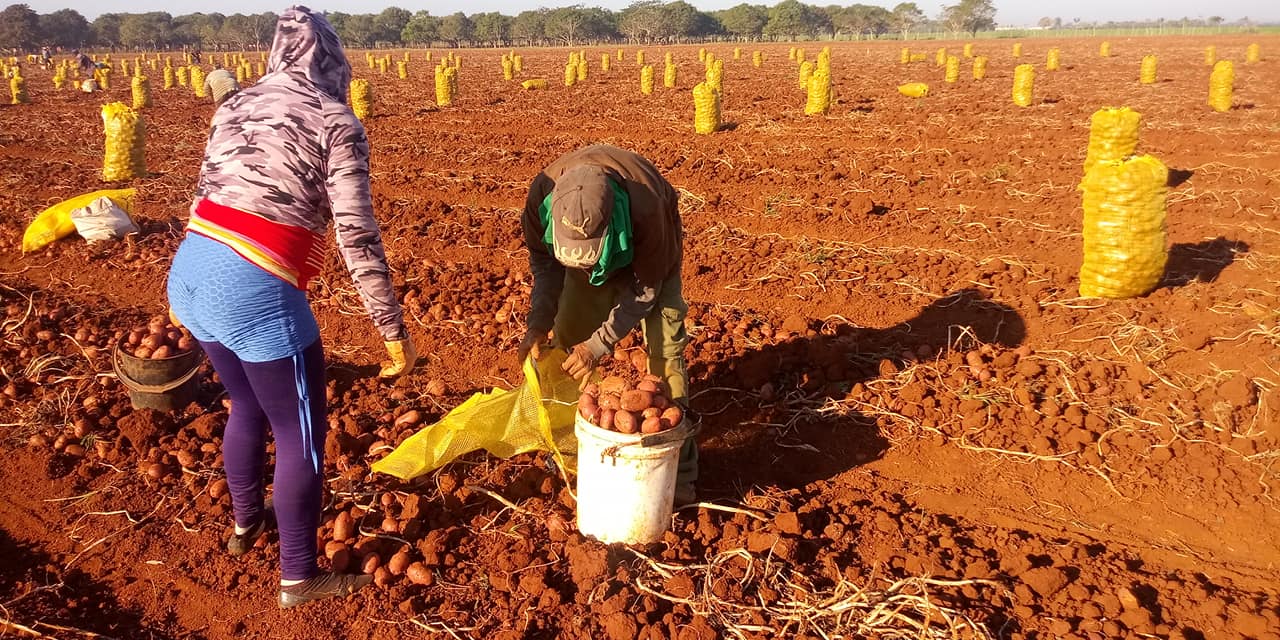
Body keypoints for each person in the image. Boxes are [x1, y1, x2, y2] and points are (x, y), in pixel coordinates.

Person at [166, 6, 416, 609]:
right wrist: (391, 328)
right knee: (300, 430)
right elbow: (356, 233)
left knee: (245, 403)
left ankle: (246, 522)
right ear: (332, 59)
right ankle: (301, 576)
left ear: (277, 53)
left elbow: (207, 188)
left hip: (192, 270)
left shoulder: (234, 105)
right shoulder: (336, 121)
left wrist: (193, 287)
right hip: (254, 286)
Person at [518, 144, 698, 504]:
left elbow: (647, 289)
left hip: (651, 261)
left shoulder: (647, 210)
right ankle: (574, 450)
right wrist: (538, 323)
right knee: (568, 341)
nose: (586, 268)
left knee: (666, 356)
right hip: (601, 241)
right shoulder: (541, 197)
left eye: (591, 257)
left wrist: (599, 345)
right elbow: (546, 268)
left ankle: (677, 475)